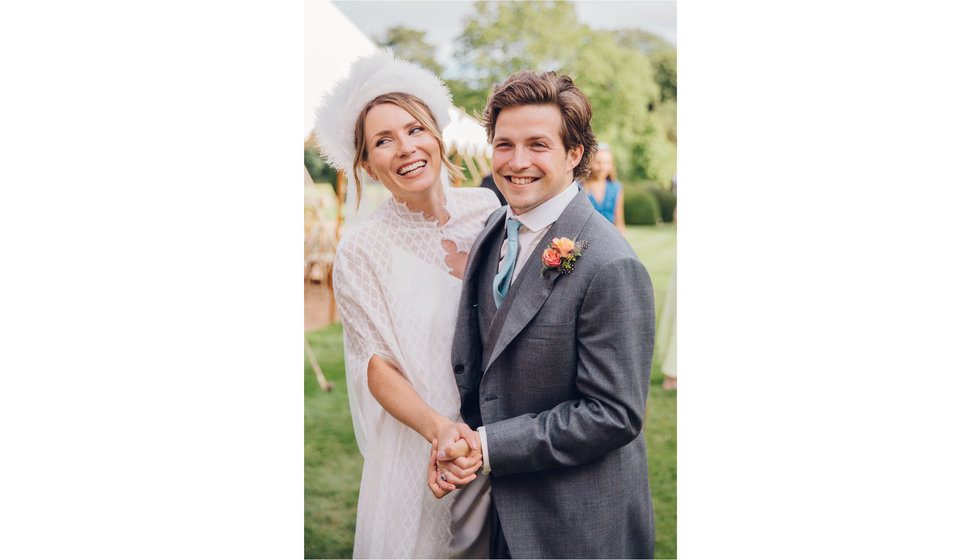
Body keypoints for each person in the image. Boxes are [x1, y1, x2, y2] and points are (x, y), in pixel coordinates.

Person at [432, 70, 657, 558]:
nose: (516, 163)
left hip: (574, 524)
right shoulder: (495, 225)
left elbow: (613, 414)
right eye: (504, 144)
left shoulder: (610, 265)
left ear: (575, 154)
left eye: (538, 145)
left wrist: (487, 447)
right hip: (502, 510)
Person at [313, 49, 499, 559]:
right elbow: (373, 363)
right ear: (366, 163)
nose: (405, 148)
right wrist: (439, 431)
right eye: (382, 140)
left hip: (499, 441)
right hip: (424, 448)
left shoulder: (488, 211)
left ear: (437, 135)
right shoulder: (362, 249)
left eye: (414, 129)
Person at [579, 142, 626, 234]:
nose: (602, 167)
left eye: (607, 163)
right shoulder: (580, 186)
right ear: (590, 162)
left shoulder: (616, 187)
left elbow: (619, 222)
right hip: (586, 237)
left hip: (610, 238)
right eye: (598, 162)